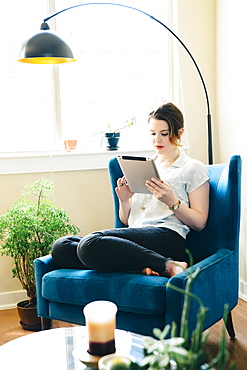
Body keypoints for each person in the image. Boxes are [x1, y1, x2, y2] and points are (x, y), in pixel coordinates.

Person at [52, 103, 209, 277]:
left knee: (89, 244)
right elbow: (127, 221)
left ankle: (168, 265)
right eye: (153, 133)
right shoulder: (145, 166)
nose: (157, 140)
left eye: (164, 134)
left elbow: (200, 223)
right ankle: (139, 264)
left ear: (180, 132)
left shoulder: (192, 167)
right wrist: (124, 200)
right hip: (137, 237)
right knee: (61, 247)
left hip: (167, 236)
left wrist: (172, 202)